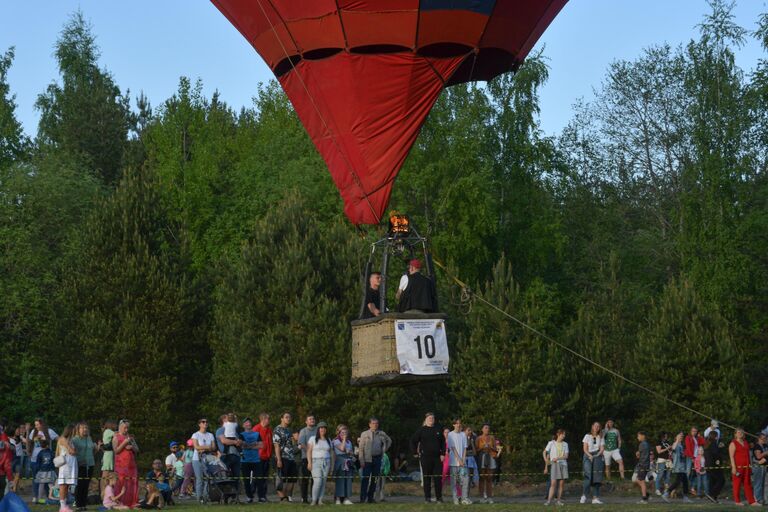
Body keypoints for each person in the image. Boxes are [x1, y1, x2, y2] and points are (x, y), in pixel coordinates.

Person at [409, 412, 445, 504]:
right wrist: (414, 452)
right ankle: (427, 498)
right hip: (425, 458)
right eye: (429, 418)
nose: (431, 420)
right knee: (427, 479)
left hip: (437, 458)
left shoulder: (438, 429)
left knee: (438, 479)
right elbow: (413, 441)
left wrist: (443, 454)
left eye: (432, 418)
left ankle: (439, 498)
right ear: (426, 420)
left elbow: (443, 443)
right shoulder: (421, 430)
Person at [358, 417, 392, 504]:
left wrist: (384, 449)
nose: (375, 425)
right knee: (365, 479)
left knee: (375, 480)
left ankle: (370, 498)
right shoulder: (364, 434)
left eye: (376, 423)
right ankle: (363, 498)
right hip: (367, 460)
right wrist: (361, 460)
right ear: (369, 424)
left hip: (377, 459)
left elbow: (389, 441)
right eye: (373, 423)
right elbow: (361, 448)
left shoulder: (382, 433)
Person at [215, 414, 242, 500]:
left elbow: (239, 441)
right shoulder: (220, 430)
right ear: (223, 420)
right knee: (225, 477)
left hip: (236, 456)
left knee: (236, 477)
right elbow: (224, 441)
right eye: (227, 418)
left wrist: (239, 441)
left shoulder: (234, 431)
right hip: (225, 456)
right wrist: (235, 442)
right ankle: (225, 497)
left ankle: (235, 498)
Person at [273, 412, 298, 503]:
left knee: (292, 479)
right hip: (282, 457)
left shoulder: (289, 430)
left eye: (289, 417)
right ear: (281, 418)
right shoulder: (277, 430)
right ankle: (283, 498)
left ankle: (287, 497)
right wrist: (279, 459)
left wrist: (296, 440)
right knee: (281, 479)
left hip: (291, 458)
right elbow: (276, 446)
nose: (288, 419)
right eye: (286, 417)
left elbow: (293, 445)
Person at [113, 420, 139, 509]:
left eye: (128, 428)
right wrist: (124, 443)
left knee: (132, 482)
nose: (126, 430)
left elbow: (137, 450)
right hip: (120, 465)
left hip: (131, 464)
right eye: (125, 427)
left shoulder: (130, 437)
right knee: (121, 482)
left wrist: (132, 446)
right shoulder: (116, 437)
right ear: (120, 427)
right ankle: (120, 502)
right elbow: (116, 450)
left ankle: (132, 502)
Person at [72, 421, 98, 511]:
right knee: (80, 485)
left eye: (86, 428)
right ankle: (78, 504)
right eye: (83, 428)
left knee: (86, 485)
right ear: (78, 430)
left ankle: (83, 505)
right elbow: (71, 452)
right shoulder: (75, 439)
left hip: (90, 464)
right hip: (80, 465)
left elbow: (92, 451)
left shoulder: (89, 438)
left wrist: (96, 448)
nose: (85, 429)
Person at [307, 421, 334, 506]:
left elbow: (332, 453)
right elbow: (309, 451)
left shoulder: (329, 440)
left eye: (324, 428)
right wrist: (309, 463)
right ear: (318, 429)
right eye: (321, 428)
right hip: (315, 462)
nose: (323, 429)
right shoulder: (312, 438)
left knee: (323, 482)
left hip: (327, 462)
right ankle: (314, 500)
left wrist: (332, 467)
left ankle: (320, 500)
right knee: (318, 481)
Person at [662, 432, 692, 503]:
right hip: (677, 467)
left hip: (682, 467)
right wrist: (677, 440)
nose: (681, 437)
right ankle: (666, 493)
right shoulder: (675, 444)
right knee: (677, 482)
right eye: (680, 436)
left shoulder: (681, 445)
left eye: (682, 436)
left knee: (685, 482)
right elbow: (673, 448)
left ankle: (685, 497)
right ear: (676, 437)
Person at [729, 427, 757, 505]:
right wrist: (734, 467)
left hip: (747, 466)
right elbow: (731, 456)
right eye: (738, 432)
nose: (740, 434)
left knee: (747, 484)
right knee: (737, 484)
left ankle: (752, 501)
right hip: (738, 467)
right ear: (735, 434)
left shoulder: (745, 442)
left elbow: (748, 455)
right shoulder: (733, 443)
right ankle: (737, 501)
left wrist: (750, 465)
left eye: (741, 432)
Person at [191, 418, 214, 505]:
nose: (205, 423)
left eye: (206, 422)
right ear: (199, 424)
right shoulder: (195, 435)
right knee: (199, 479)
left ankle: (206, 496)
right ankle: (199, 498)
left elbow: (214, 447)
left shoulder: (210, 435)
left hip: (208, 459)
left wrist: (203, 448)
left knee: (208, 478)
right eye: (203, 422)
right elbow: (196, 447)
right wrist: (208, 447)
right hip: (197, 459)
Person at [581, 422, 605, 505]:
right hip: (588, 455)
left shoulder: (601, 437)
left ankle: (595, 498)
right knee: (588, 476)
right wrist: (590, 456)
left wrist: (597, 455)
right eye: (595, 426)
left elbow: (602, 449)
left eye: (598, 426)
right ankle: (584, 495)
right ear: (592, 427)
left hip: (597, 456)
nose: (597, 427)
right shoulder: (587, 436)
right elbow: (584, 449)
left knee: (597, 478)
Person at [447, 418, 470, 505]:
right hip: (453, 462)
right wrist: (459, 460)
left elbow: (465, 448)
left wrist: (463, 460)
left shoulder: (463, 434)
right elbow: (452, 448)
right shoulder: (450, 434)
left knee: (465, 480)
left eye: (459, 423)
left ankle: (464, 498)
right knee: (454, 481)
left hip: (463, 463)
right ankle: (455, 498)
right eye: (456, 423)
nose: (458, 425)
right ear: (453, 425)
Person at [56, 424, 78, 512]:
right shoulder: (63, 439)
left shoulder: (71, 440)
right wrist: (73, 450)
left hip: (71, 464)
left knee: (67, 485)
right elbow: (72, 451)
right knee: (63, 485)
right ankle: (62, 506)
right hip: (65, 465)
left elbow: (75, 451)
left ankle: (65, 504)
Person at [252, 413, 273, 503]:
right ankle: (251, 496)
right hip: (258, 457)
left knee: (264, 478)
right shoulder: (256, 428)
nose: (269, 420)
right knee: (257, 478)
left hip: (267, 457)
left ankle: (263, 496)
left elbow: (270, 442)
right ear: (263, 419)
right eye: (268, 419)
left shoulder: (269, 430)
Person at [240, 418, 262, 503]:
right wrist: (254, 444)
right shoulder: (241, 434)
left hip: (256, 460)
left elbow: (261, 445)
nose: (248, 423)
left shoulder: (257, 434)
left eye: (249, 422)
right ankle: (249, 497)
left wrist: (248, 446)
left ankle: (261, 497)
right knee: (246, 480)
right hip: (245, 460)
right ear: (243, 425)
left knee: (259, 479)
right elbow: (241, 445)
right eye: (246, 422)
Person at [544, 429, 568, 506]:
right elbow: (544, 452)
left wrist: (558, 458)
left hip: (563, 465)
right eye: (562, 434)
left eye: (564, 434)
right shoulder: (551, 443)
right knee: (553, 483)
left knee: (561, 484)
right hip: (554, 465)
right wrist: (546, 461)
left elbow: (566, 456)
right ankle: (548, 501)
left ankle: (558, 501)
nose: (563, 436)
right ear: (558, 434)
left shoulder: (565, 444)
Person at [332, 425, 355, 505]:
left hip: (348, 461)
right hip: (340, 461)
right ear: (338, 432)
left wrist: (349, 452)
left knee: (348, 480)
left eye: (345, 432)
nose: (344, 434)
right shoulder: (335, 441)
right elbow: (341, 448)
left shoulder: (349, 442)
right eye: (342, 432)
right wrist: (344, 440)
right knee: (340, 480)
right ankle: (338, 498)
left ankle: (346, 498)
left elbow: (352, 452)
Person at [298, 414, 317, 504]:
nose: (312, 420)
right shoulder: (303, 431)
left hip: (317, 458)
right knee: (305, 479)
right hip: (306, 458)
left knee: (315, 479)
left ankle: (314, 498)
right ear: (306, 421)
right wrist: (310, 451)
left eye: (313, 419)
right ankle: (304, 499)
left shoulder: (318, 430)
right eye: (310, 419)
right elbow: (301, 444)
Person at [476, 423, 497, 504]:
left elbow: (495, 449)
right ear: (482, 429)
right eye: (485, 428)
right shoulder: (478, 438)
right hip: (482, 457)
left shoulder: (492, 438)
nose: (487, 429)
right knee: (482, 478)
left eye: (488, 428)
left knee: (489, 478)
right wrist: (482, 447)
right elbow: (476, 450)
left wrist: (490, 447)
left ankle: (489, 497)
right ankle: (481, 497)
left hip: (490, 457)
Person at [703, 430, 724, 503]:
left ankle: (714, 498)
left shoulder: (707, 443)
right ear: (715, 437)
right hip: (713, 465)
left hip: (708, 465)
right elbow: (716, 454)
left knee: (713, 481)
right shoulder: (714, 443)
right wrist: (721, 448)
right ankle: (712, 494)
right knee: (721, 480)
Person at [683, 426, 705, 495]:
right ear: (690, 431)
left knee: (696, 473)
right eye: (693, 431)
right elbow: (688, 448)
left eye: (695, 431)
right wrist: (692, 457)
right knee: (688, 472)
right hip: (690, 457)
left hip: (697, 457)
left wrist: (700, 436)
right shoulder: (688, 437)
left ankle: (692, 488)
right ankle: (685, 488)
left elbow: (704, 442)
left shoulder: (697, 438)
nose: (694, 432)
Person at [34, 439, 56, 504]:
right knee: (51, 485)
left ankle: (39, 499)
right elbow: (54, 461)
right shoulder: (51, 452)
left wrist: (38, 469)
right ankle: (54, 499)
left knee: (41, 485)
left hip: (42, 471)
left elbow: (37, 463)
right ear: (47, 445)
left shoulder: (40, 453)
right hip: (50, 471)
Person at [100, 421, 117, 494]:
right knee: (105, 475)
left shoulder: (107, 431)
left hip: (109, 454)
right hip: (108, 455)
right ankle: (103, 493)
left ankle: (107, 493)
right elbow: (117, 434)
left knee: (109, 475)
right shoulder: (108, 431)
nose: (116, 426)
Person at [635, 431, 651, 504]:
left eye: (638, 436)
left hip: (643, 464)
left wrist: (637, 454)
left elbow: (639, 456)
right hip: (645, 464)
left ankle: (644, 499)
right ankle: (646, 495)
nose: (637, 437)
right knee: (638, 480)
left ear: (642, 436)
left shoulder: (642, 444)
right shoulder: (646, 444)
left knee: (641, 480)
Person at [654, 432, 672, 496]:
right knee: (660, 474)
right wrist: (667, 448)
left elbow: (670, 449)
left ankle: (666, 490)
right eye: (665, 436)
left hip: (668, 461)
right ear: (662, 436)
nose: (666, 437)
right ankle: (657, 489)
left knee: (668, 476)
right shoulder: (658, 442)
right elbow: (659, 451)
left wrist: (670, 451)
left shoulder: (667, 442)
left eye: (667, 436)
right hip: (661, 460)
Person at [753, 432, 768, 505]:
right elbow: (758, 456)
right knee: (758, 483)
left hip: (764, 467)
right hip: (758, 467)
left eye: (765, 438)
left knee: (764, 484)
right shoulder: (757, 446)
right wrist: (766, 453)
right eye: (763, 438)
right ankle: (757, 499)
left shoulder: (765, 445)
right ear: (759, 439)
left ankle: (763, 499)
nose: (765, 440)